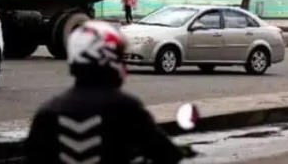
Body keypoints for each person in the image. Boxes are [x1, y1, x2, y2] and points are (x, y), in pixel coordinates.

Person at [25, 20, 182, 164]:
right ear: (108, 59)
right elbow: (167, 154)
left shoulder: (48, 112)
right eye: (120, 57)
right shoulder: (126, 108)